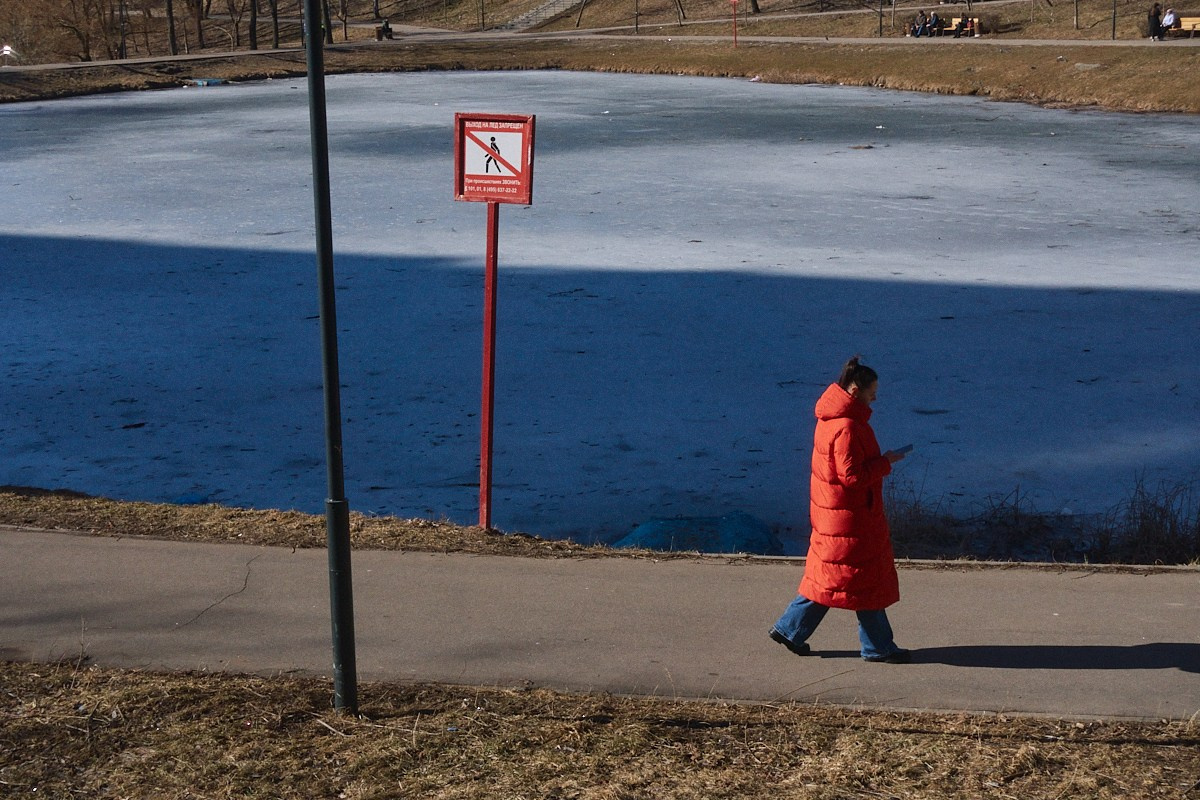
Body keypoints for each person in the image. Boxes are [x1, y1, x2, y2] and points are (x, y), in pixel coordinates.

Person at [769, 356, 912, 664]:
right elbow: (852, 477)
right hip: (851, 518)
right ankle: (878, 647)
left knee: (836, 579)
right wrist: (886, 462)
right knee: (860, 580)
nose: (876, 397)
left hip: (836, 514)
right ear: (855, 389)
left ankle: (790, 629)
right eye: (872, 391)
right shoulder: (847, 427)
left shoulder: (832, 419)